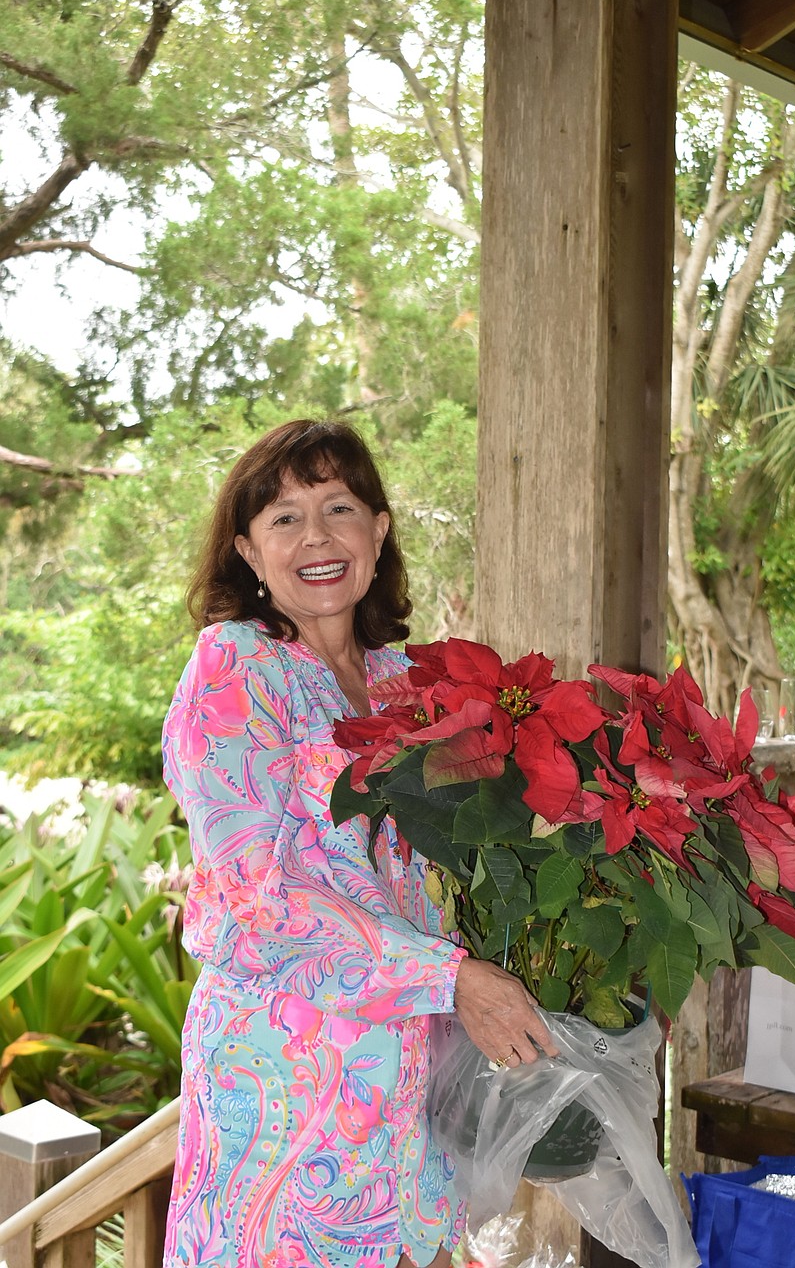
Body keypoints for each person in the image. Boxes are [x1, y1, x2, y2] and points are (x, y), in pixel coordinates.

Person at [162, 419, 557, 1268]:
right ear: (246, 552)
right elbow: (253, 901)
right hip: (288, 1093)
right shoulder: (236, 668)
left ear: (377, 530)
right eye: (283, 518)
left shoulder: (404, 683)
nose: (316, 537)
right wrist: (449, 979)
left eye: (338, 507)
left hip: (415, 1089)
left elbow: (445, 875)